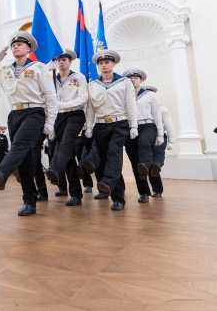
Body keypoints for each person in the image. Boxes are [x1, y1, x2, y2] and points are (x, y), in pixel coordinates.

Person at [0, 31, 58, 216]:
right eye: (13, 45)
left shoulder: (39, 67)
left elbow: (51, 97)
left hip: (34, 112)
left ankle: (2, 172)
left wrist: (50, 122)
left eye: (20, 44)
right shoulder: (6, 70)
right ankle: (29, 202)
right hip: (14, 113)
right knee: (23, 160)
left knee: (19, 144)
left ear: (28, 48)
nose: (15, 47)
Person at [83, 50, 138, 211]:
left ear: (113, 64)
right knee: (108, 160)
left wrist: (133, 125)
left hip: (119, 123)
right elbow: (91, 108)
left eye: (107, 62)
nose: (104, 65)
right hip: (100, 126)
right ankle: (117, 196)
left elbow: (130, 104)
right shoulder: (93, 85)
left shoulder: (125, 82)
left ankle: (108, 185)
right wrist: (89, 126)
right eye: (101, 63)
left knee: (114, 153)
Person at [44, 49, 88, 206]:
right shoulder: (51, 80)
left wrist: (63, 105)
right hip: (58, 117)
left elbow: (83, 99)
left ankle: (55, 169)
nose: (61, 62)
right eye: (58, 59)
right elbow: (47, 101)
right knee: (68, 156)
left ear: (70, 61)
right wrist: (51, 125)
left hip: (75, 115)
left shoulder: (79, 77)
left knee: (67, 143)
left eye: (64, 59)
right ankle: (76, 194)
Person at [122, 69, 163, 203]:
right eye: (130, 78)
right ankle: (144, 192)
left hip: (148, 126)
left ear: (141, 80)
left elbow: (156, 114)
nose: (133, 79)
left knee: (146, 156)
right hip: (130, 128)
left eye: (136, 77)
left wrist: (160, 134)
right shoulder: (122, 95)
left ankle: (157, 188)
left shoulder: (150, 95)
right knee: (137, 164)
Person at [142, 85, 174, 197]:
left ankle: (157, 189)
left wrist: (171, 141)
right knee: (151, 164)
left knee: (156, 160)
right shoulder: (141, 108)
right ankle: (156, 189)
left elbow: (169, 125)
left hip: (158, 135)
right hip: (144, 137)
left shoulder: (162, 109)